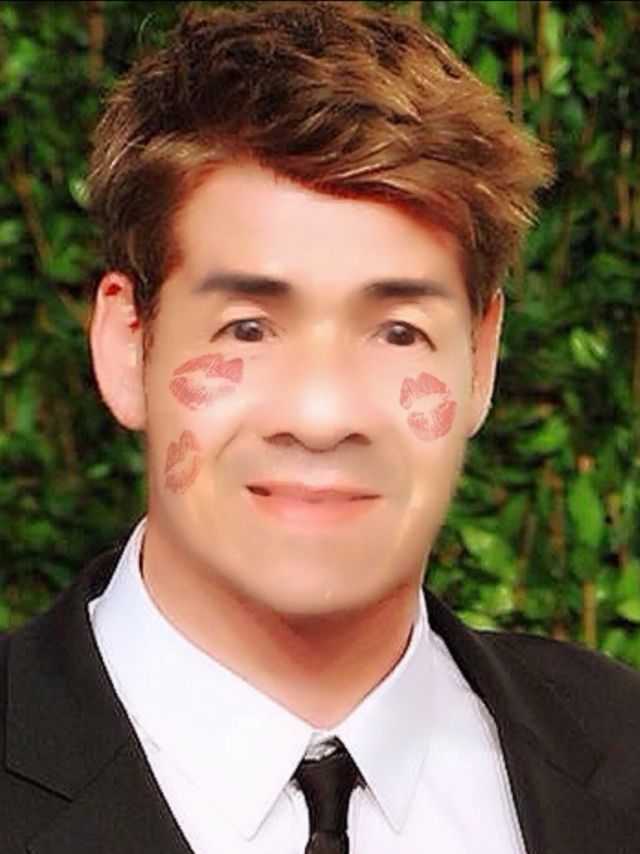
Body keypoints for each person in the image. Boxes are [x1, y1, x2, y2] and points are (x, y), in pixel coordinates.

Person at [2, 2, 639, 852]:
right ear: (127, 346)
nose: (322, 415)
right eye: (248, 329)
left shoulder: (624, 749)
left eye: (398, 332)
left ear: (480, 359)